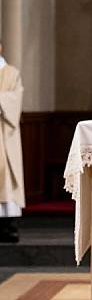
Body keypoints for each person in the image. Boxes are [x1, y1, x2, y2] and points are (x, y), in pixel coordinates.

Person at [0, 41, 24, 243]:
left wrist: (2, 101)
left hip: (5, 132)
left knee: (7, 177)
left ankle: (9, 225)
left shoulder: (11, 73)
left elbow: (15, 98)